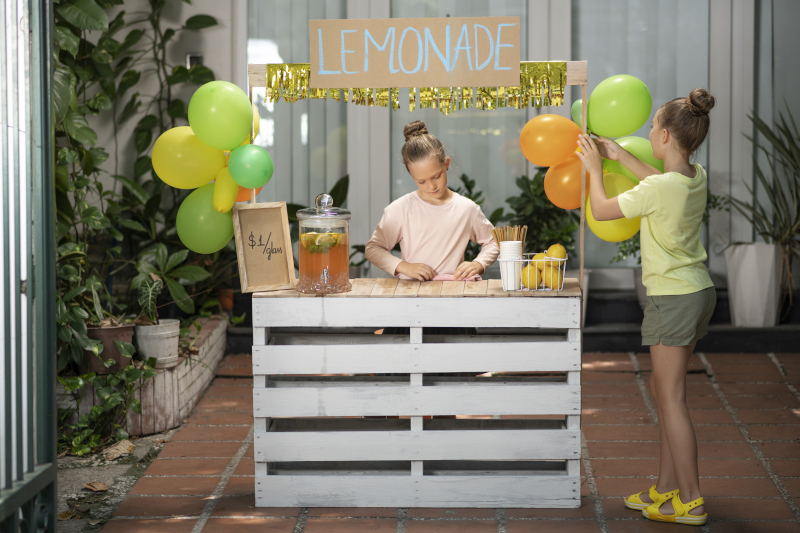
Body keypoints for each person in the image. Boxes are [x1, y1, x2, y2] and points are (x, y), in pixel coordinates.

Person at [576, 88, 717, 527]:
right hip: (698, 293)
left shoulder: (658, 188)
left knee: (671, 399)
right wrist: (620, 156)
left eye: (653, 125)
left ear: (664, 138)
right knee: (665, 392)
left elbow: (601, 208)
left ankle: (690, 500)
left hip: (671, 299)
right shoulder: (696, 176)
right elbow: (657, 182)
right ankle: (665, 488)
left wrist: (596, 168)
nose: (650, 131)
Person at [365, 120, 499, 282]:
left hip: (453, 291)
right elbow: (373, 248)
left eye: (436, 176)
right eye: (421, 181)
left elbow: (493, 241)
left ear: (446, 164)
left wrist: (479, 263)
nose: (431, 186)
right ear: (411, 175)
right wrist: (404, 266)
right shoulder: (400, 209)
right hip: (411, 292)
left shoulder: (467, 208)